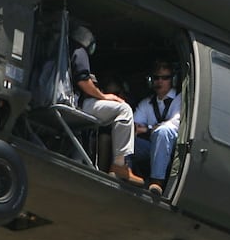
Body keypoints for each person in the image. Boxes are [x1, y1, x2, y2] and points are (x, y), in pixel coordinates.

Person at [69, 26, 142, 185]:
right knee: (124, 109)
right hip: (75, 102)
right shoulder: (79, 51)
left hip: (66, 100)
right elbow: (83, 80)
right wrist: (104, 96)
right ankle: (120, 165)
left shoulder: (61, 50)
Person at [133, 61, 180, 195]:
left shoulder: (180, 99)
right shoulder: (146, 103)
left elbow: (175, 124)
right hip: (150, 147)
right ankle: (126, 173)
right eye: (156, 78)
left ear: (173, 80)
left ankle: (156, 182)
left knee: (164, 131)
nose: (160, 81)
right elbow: (135, 126)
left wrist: (147, 130)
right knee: (127, 138)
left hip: (172, 150)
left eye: (165, 78)